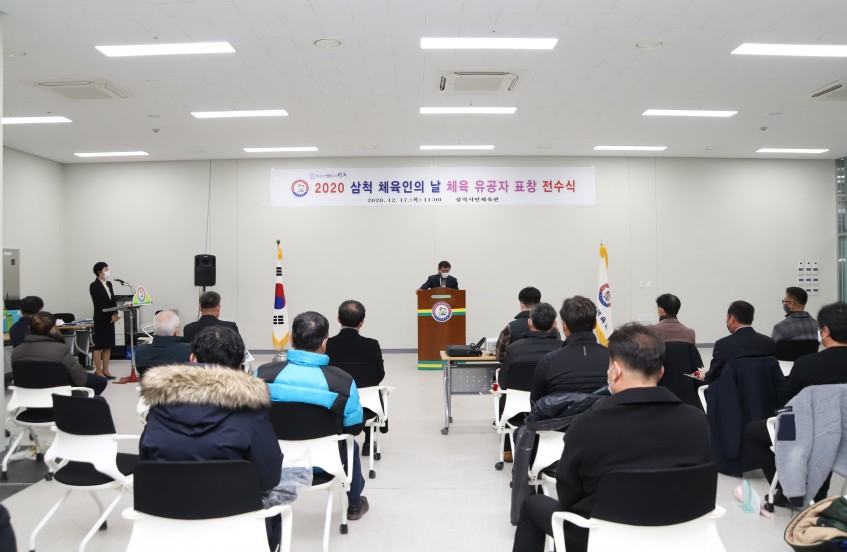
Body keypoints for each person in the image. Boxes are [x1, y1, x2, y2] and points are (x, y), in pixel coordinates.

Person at [512, 323, 712, 552]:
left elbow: (568, 495)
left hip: (601, 539)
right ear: (661, 372)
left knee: (532, 506)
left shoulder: (587, 425)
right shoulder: (697, 421)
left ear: (615, 371)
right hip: (678, 536)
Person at [139, 326, 283, 551]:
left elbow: (146, 458)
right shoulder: (252, 411)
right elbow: (269, 477)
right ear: (239, 366)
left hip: (166, 521)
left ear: (192, 358)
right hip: (235, 526)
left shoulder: (158, 405)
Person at [266, 311, 370, 521]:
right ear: (325, 343)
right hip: (325, 463)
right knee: (351, 445)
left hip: (275, 460)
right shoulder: (342, 381)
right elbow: (354, 427)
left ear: (292, 340)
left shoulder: (264, 374)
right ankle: (354, 504)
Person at [742, 301, 847, 502]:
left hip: (814, 434)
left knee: (753, 432)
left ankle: (788, 490)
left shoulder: (807, 364)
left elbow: (786, 403)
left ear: (825, 331)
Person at [530, 296, 609, 404]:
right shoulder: (614, 358)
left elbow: (536, 405)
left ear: (564, 326)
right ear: (595, 324)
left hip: (561, 415)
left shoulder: (548, 361)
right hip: (606, 415)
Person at [12, 312, 107, 395]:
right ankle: (81, 403)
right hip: (58, 396)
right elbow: (80, 379)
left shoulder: (16, 351)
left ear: (30, 328)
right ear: (52, 330)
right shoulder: (60, 349)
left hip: (28, 397)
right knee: (100, 382)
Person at [703, 300, 776, 384]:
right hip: (763, 390)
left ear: (732, 319)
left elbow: (712, 378)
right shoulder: (769, 342)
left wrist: (705, 376)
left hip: (733, 391)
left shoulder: (722, 345)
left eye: (727, 317)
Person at [499, 302, 562, 391]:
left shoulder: (513, 349)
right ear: (554, 324)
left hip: (519, 399)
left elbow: (503, 383)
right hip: (554, 398)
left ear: (529, 323)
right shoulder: (564, 349)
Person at [325, 300, 385, 386]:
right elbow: (380, 375)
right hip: (367, 392)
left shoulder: (327, 344)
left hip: (335, 391)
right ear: (361, 323)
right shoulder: (372, 345)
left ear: (338, 319)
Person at [495, 287, 561, 362]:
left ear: (521, 304)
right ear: (539, 304)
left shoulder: (510, 327)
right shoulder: (552, 327)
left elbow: (500, 356)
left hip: (518, 368)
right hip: (548, 368)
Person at [135, 310, 191, 378]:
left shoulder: (141, 352)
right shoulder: (189, 350)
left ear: (154, 330)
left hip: (152, 384)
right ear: (176, 331)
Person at [89, 261, 119, 379]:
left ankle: (105, 369)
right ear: (99, 272)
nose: (108, 271)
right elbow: (99, 303)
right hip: (101, 319)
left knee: (108, 345)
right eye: (106, 269)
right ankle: (98, 371)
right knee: (99, 345)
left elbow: (113, 300)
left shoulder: (109, 284)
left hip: (110, 319)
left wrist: (115, 313)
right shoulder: (94, 285)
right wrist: (111, 315)